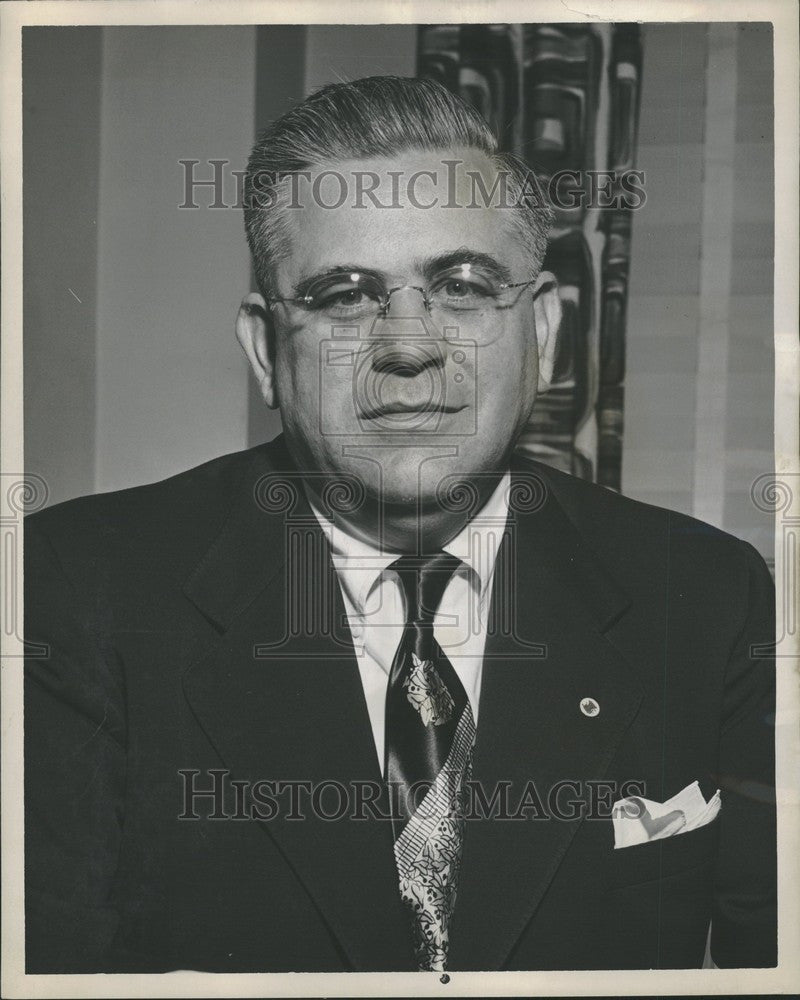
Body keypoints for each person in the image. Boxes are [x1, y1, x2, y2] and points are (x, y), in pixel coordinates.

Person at [24, 75, 776, 974]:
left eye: (461, 286)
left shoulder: (703, 596)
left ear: (541, 334)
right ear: (267, 350)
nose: (410, 346)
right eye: (345, 296)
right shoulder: (76, 591)